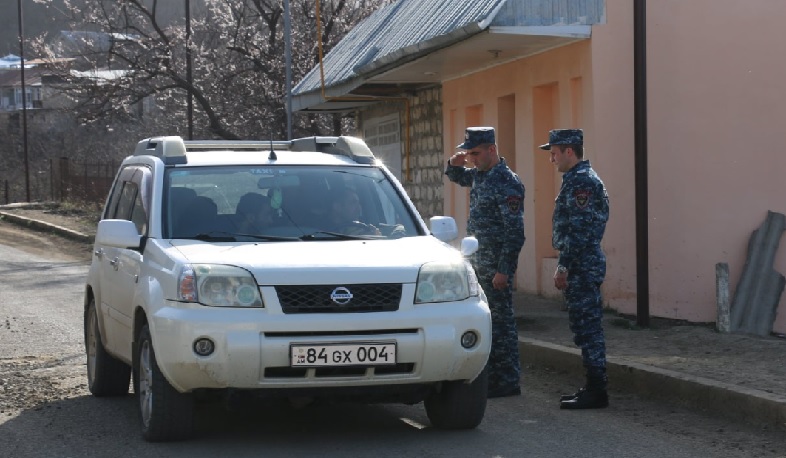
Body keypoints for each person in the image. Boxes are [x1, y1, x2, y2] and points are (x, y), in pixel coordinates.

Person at [445, 126, 525, 398]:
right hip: (479, 264)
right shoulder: (481, 175)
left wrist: (505, 270)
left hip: (495, 267)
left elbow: (515, 233)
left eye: (476, 153)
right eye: (469, 154)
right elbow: (459, 176)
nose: (472, 159)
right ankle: (491, 377)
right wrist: (453, 165)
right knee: (487, 322)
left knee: (502, 323)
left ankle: (507, 380)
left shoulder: (507, 182)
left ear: (492, 149)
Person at [539, 128, 610, 409]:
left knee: (589, 329)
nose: (552, 159)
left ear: (570, 151)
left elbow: (579, 230)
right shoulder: (576, 180)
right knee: (583, 328)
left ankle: (597, 391)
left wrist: (564, 266)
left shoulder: (582, 183)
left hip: (582, 264)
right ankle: (592, 387)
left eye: (554, 153)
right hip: (582, 263)